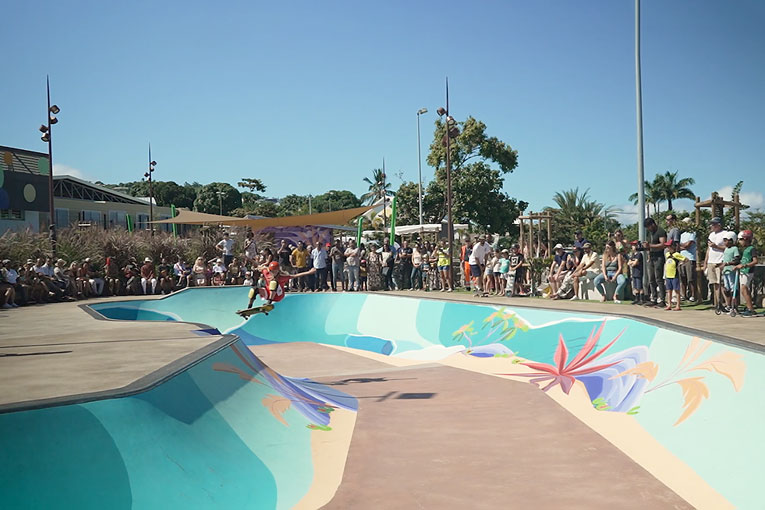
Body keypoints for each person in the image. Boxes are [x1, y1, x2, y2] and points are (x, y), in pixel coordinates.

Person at [246, 261, 315, 308]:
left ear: (278, 270)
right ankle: (249, 307)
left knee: (274, 282)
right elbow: (260, 267)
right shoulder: (266, 272)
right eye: (271, 271)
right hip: (267, 293)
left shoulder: (282, 277)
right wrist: (260, 267)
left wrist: (309, 272)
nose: (273, 273)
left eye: (275, 271)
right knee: (254, 289)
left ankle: (269, 303)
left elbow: (295, 276)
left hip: (278, 296)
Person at [702, 217, 727, 309]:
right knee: (715, 284)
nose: (711, 226)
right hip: (711, 261)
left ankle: (727, 304)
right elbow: (709, 249)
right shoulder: (711, 235)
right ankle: (718, 303)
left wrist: (716, 246)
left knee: (722, 284)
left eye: (713, 224)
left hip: (720, 261)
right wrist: (705, 262)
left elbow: (728, 248)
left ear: (719, 225)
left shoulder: (725, 234)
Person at [643, 217, 667, 307]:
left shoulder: (660, 231)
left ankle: (662, 299)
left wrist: (650, 245)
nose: (648, 229)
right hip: (652, 257)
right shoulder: (650, 233)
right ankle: (654, 298)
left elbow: (663, 244)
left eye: (648, 227)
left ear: (652, 224)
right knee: (651, 279)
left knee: (659, 279)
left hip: (659, 257)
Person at [736, 230, 758, 316]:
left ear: (746, 239)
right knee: (743, 290)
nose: (740, 241)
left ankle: (750, 309)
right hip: (743, 271)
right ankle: (748, 306)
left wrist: (745, 265)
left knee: (744, 289)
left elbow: (755, 261)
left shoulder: (751, 249)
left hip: (748, 271)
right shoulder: (745, 250)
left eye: (741, 239)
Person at [719, 232, 740, 311]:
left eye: (726, 240)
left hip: (731, 270)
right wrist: (721, 264)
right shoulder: (726, 249)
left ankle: (735, 305)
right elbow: (725, 259)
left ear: (731, 240)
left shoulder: (735, 249)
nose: (724, 242)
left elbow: (737, 260)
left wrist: (727, 263)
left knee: (733, 288)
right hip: (725, 271)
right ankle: (728, 305)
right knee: (726, 289)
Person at [664, 240, 687, 311]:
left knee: (676, 290)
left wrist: (681, 263)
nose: (668, 248)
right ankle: (669, 304)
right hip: (668, 274)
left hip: (674, 274)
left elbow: (685, 259)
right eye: (667, 246)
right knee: (669, 290)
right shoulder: (667, 254)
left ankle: (678, 305)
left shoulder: (676, 254)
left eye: (669, 246)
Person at [679, 218, 698, 303]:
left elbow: (688, 245)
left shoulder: (692, 233)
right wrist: (682, 246)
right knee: (683, 278)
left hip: (690, 258)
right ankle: (683, 295)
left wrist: (682, 246)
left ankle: (693, 295)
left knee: (691, 278)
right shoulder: (682, 235)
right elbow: (678, 246)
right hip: (681, 258)